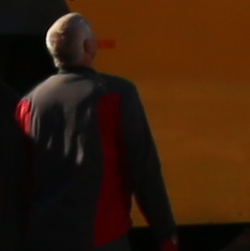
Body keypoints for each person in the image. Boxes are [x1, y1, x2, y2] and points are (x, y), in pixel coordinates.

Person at [14, 15, 176, 250]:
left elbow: (25, 177)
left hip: (44, 237)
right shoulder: (116, 95)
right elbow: (144, 168)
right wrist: (165, 231)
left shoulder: (30, 103)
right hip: (101, 236)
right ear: (89, 47)